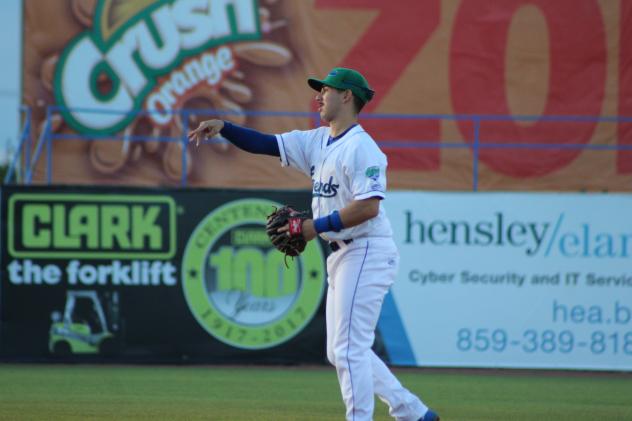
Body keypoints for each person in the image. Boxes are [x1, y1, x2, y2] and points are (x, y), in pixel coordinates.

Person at [188, 67, 440, 421]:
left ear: (347, 96)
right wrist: (225, 128)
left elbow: (368, 207)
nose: (319, 96)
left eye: (326, 90)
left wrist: (312, 227)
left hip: (367, 249)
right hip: (342, 255)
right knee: (343, 352)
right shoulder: (318, 141)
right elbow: (267, 144)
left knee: (349, 349)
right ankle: (413, 412)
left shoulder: (362, 148)